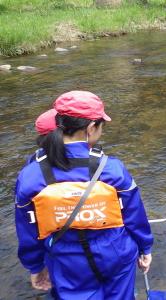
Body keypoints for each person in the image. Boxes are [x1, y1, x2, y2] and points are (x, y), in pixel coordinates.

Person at [15, 91, 153, 300]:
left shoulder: (31, 176)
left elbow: (28, 232)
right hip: (115, 251)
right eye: (101, 125)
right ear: (91, 128)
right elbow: (134, 217)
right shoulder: (111, 169)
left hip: (65, 259)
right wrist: (145, 248)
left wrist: (35, 267)